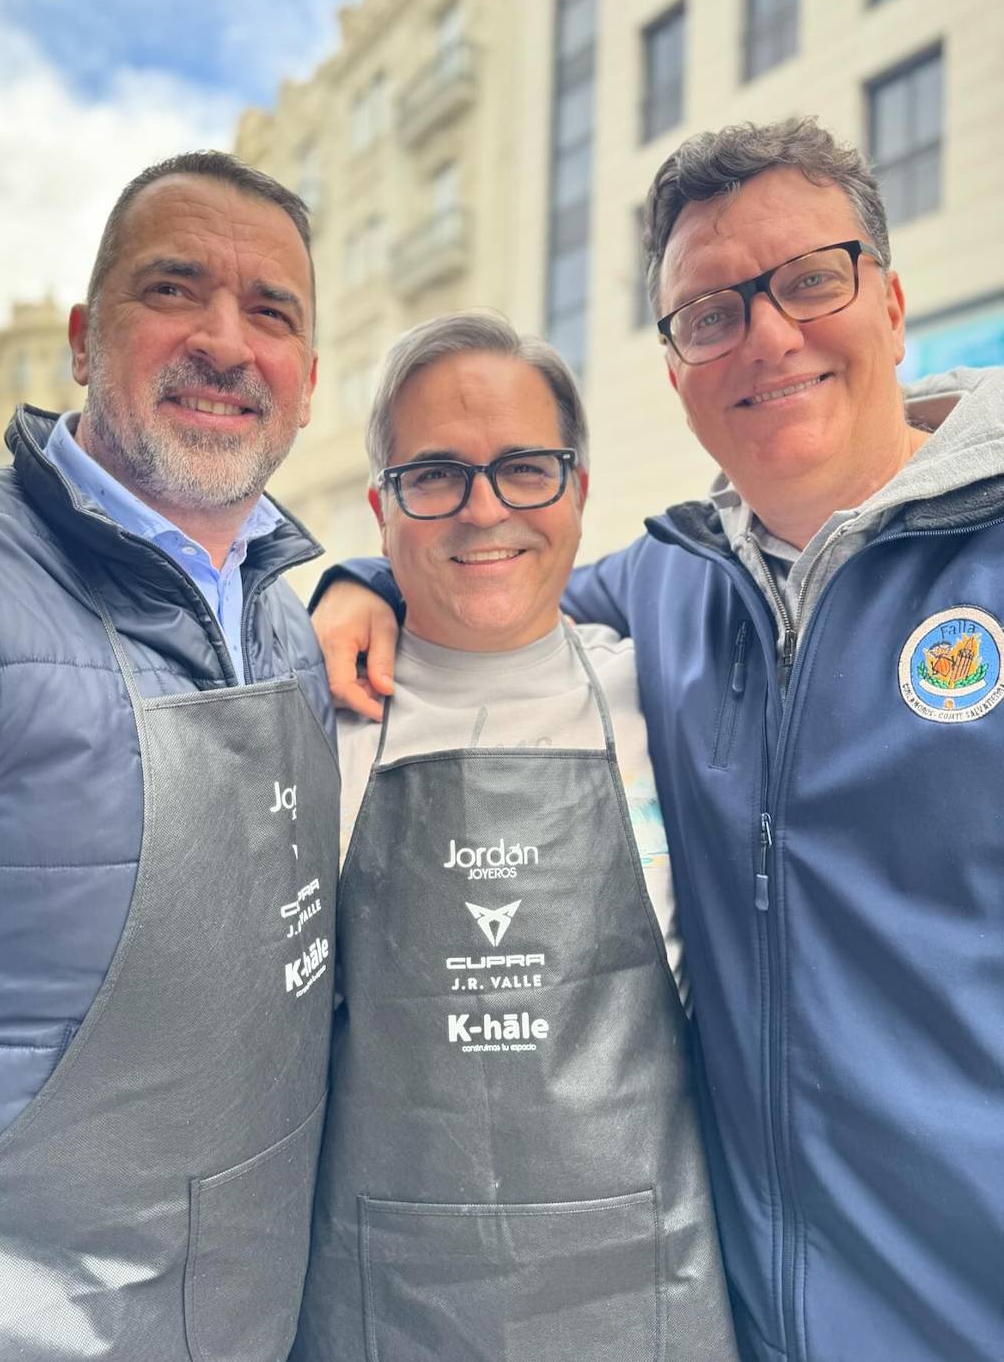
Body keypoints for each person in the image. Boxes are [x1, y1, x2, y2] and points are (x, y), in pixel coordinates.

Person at [311, 119, 1004, 1362]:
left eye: (809, 280)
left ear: (892, 305)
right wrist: (353, 582)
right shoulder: (658, 596)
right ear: (678, 369)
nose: (769, 336)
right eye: (711, 313)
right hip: (742, 1319)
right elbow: (488, 575)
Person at [0, 151, 337, 1361]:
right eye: (173, 290)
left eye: (272, 313)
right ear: (86, 339)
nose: (224, 340)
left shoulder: (289, 625)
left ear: (308, 380)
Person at [291, 311, 737, 1362]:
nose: (483, 508)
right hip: (379, 1293)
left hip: (643, 1289)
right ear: (382, 507)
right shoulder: (312, 723)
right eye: (434, 474)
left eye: (523, 469)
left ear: (578, 489)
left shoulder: (671, 697)